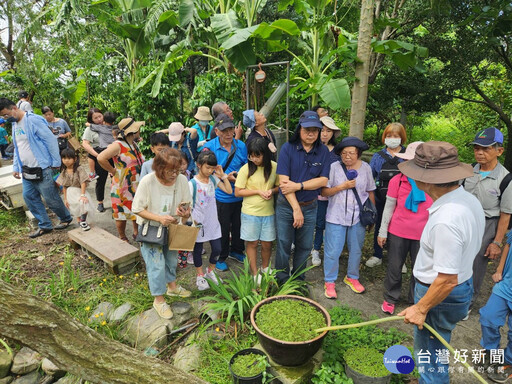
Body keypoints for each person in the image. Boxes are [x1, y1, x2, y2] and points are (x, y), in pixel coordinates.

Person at [397, 141, 485, 384]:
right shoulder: (468, 200)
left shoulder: (446, 219)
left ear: (425, 180)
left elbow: (446, 279)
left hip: (440, 295)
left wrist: (420, 308)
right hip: (460, 288)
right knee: (437, 346)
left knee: (431, 358)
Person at [132, 147, 192, 319]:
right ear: (159, 168)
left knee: (171, 258)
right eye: (170, 171)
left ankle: (172, 287)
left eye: (177, 170)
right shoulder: (148, 181)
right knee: (156, 264)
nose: (174, 175)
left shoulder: (181, 180)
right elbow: (137, 209)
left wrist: (185, 213)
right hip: (151, 228)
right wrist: (158, 218)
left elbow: (187, 205)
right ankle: (158, 300)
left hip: (172, 226)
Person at [0, 97, 72, 238]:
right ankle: (45, 225)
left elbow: (50, 140)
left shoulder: (33, 120)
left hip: (43, 167)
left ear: (14, 108)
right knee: (29, 197)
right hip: (27, 169)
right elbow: (18, 147)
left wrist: (56, 163)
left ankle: (65, 218)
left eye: (5, 114)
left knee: (50, 198)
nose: (5, 118)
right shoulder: (15, 124)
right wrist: (16, 167)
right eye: (2, 116)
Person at [377, 142, 433, 314]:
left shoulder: (432, 183)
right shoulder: (397, 180)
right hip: (398, 231)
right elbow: (389, 207)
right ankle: (390, 298)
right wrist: (382, 231)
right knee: (394, 267)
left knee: (420, 269)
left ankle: (415, 300)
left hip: (423, 234)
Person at [275, 110, 330, 285]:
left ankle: (298, 280)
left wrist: (299, 185)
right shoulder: (288, 149)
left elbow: (323, 180)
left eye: (315, 130)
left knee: (305, 245)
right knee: (284, 244)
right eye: (307, 129)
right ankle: (282, 281)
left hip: (310, 205)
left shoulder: (323, 152)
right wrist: (296, 209)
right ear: (299, 129)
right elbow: (284, 183)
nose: (311, 133)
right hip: (286, 206)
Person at [464, 127, 512, 317]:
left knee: (476, 264)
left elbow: (505, 214)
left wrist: (496, 242)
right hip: (465, 221)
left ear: (499, 151)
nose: (480, 153)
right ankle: (450, 295)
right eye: (476, 148)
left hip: (487, 224)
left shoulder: (506, 179)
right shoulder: (468, 171)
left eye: (486, 149)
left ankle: (467, 303)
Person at [322, 137, 376, 297]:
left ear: (358, 153)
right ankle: (330, 281)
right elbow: (324, 192)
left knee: (356, 250)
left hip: (358, 217)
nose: (347, 156)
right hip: (335, 216)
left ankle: (352, 277)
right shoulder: (334, 167)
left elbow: (370, 191)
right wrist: (341, 186)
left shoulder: (366, 168)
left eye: (351, 153)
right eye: (344, 153)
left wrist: (372, 214)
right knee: (333, 250)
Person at [203, 113, 248, 271]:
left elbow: (247, 166)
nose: (229, 133)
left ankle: (237, 250)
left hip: (239, 193)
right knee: (221, 227)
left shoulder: (240, 146)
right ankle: (221, 256)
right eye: (224, 131)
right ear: (217, 131)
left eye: (231, 130)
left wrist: (240, 176)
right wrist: (223, 177)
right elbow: (206, 170)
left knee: (238, 225)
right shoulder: (210, 148)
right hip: (220, 195)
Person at [235, 137, 279, 283]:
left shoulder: (274, 167)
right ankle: (254, 274)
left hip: (268, 212)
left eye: (257, 155)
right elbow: (238, 192)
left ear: (265, 154)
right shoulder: (245, 169)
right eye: (251, 155)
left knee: (267, 243)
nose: (254, 159)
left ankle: (265, 268)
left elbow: (279, 186)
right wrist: (258, 192)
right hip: (250, 213)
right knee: (252, 243)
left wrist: (272, 191)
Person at [97, 117, 145, 242]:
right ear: (132, 131)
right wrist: (113, 171)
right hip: (122, 185)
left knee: (136, 209)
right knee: (121, 213)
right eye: (137, 129)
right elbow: (101, 158)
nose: (139, 131)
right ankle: (122, 237)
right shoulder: (118, 145)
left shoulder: (133, 144)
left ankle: (136, 232)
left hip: (135, 184)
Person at [189, 150, 232, 290]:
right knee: (198, 249)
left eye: (212, 168)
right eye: (207, 167)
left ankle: (210, 271)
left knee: (217, 249)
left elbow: (229, 191)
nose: (210, 171)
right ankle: (200, 276)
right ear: (199, 165)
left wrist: (222, 175)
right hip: (198, 223)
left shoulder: (213, 179)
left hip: (212, 221)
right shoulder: (192, 184)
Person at [367, 122, 407, 268]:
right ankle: (377, 254)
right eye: (389, 135)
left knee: (399, 228)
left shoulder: (407, 156)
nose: (392, 138)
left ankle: (398, 258)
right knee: (379, 224)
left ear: (401, 137)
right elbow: (370, 176)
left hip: (402, 199)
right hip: (381, 197)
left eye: (396, 136)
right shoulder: (378, 157)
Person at [479, 230, 512, 383]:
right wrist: (499, 270)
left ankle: (509, 362)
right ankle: (491, 351)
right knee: (488, 317)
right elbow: (508, 245)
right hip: (506, 285)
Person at [311, 116, 342, 267]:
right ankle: (315, 249)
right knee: (318, 222)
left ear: (333, 133)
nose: (324, 134)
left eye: (328, 131)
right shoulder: (312, 149)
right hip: (314, 192)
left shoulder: (337, 152)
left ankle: (330, 250)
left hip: (334, 193)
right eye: (322, 130)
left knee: (331, 223)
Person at [57, 148, 93, 231]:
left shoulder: (79, 169)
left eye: (69, 158)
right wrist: (65, 199)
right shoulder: (64, 171)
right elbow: (64, 186)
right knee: (75, 208)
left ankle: (83, 221)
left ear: (75, 159)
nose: (66, 161)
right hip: (70, 193)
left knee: (83, 204)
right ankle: (79, 223)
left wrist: (83, 195)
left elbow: (83, 182)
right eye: (64, 158)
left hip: (79, 191)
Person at [82, 108, 109, 212]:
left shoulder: (108, 125)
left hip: (111, 153)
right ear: (91, 120)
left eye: (100, 116)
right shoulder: (90, 130)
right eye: (95, 118)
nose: (99, 119)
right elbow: (85, 144)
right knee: (101, 180)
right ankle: (100, 202)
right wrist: (97, 155)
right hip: (99, 155)